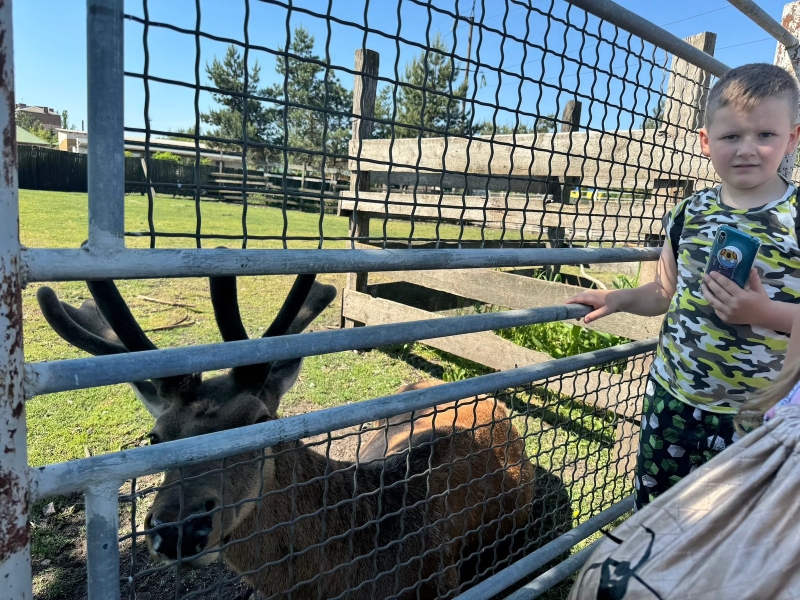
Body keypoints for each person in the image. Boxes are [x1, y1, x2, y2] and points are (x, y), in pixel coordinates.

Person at [566, 63, 800, 509]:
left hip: (761, 415)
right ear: (706, 141)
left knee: (733, 529)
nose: (747, 149)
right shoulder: (687, 214)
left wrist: (764, 314)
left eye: (765, 135)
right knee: (660, 511)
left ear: (791, 138)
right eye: (731, 136)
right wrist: (618, 298)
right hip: (674, 398)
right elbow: (664, 292)